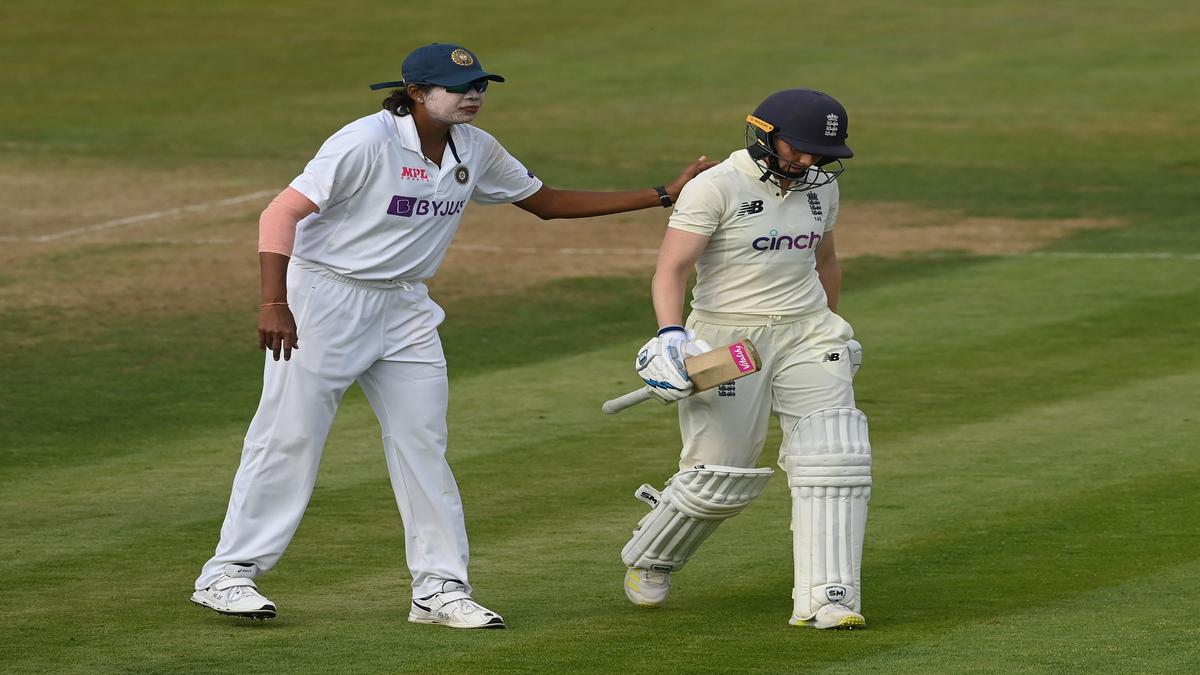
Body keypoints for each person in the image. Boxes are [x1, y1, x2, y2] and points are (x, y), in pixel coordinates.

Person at [190, 42, 715, 629]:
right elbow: (279, 214)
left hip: (407, 307)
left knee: (423, 444)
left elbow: (545, 202)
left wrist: (664, 194)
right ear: (416, 93)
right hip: (323, 300)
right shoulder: (365, 141)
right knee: (288, 436)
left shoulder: (476, 147)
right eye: (457, 88)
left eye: (480, 87)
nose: (473, 96)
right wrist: (273, 301)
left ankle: (439, 589)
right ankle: (228, 575)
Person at [618, 89, 871, 630]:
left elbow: (825, 261)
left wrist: (834, 330)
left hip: (807, 332)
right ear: (763, 134)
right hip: (727, 341)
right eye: (798, 150)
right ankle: (654, 556)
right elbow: (672, 269)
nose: (809, 163)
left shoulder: (821, 190)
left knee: (836, 459)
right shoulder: (715, 188)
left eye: (821, 155)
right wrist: (670, 337)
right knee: (720, 476)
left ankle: (828, 598)